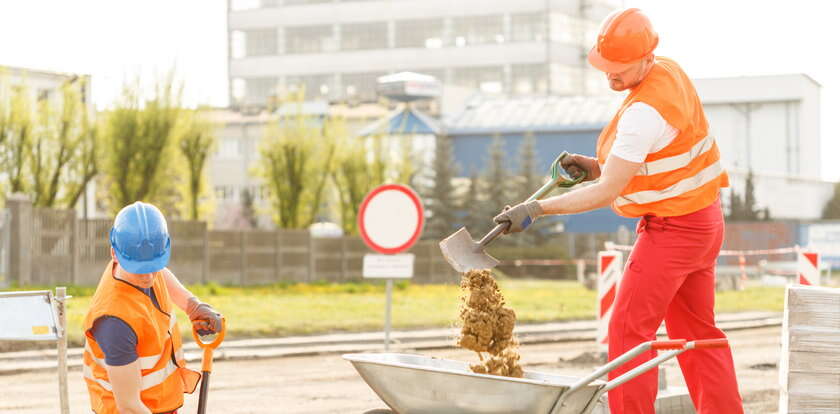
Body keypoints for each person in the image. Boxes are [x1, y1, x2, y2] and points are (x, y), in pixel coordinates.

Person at [493, 8, 743, 414]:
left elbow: (607, 192)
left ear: (646, 58)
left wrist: (536, 208)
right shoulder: (669, 72)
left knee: (628, 330)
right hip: (704, 219)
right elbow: (655, 160)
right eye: (605, 67)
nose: (611, 77)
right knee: (698, 333)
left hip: (674, 231)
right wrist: (595, 165)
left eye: (619, 69)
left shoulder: (643, 114)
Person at [82, 202, 223, 414]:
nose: (149, 276)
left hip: (158, 405)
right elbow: (129, 406)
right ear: (114, 253)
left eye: (153, 266)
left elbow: (161, 274)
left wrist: (192, 305)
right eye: (140, 269)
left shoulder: (135, 262)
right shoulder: (114, 323)